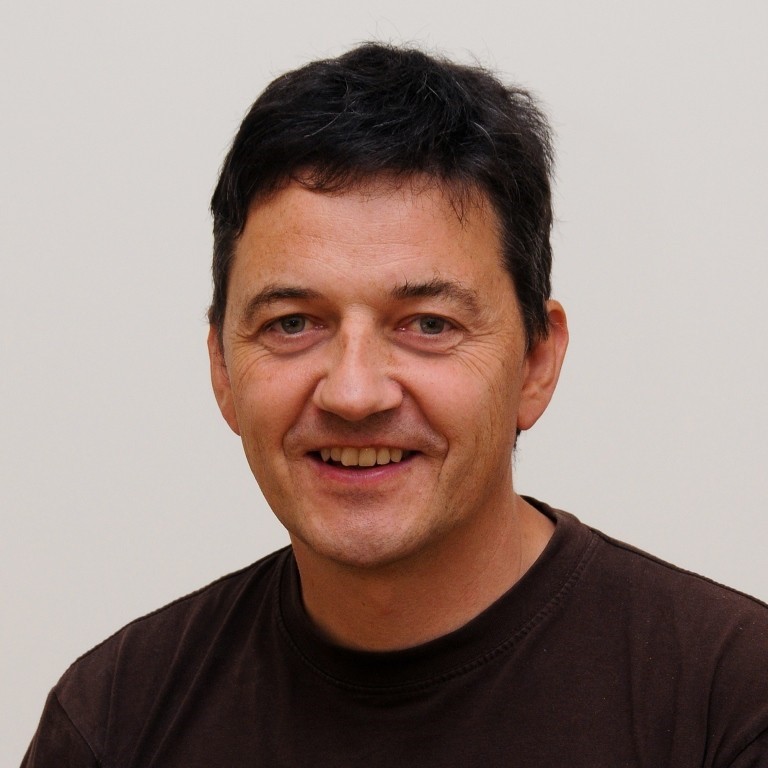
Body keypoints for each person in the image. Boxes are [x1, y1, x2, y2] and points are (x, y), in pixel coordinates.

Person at [22, 42, 768, 767]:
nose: (354, 394)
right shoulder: (115, 721)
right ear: (222, 366)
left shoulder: (730, 703)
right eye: (293, 324)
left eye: (428, 325)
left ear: (536, 362)